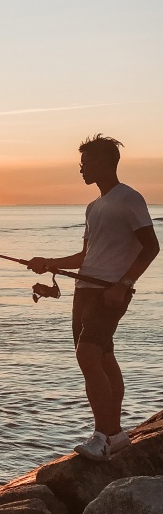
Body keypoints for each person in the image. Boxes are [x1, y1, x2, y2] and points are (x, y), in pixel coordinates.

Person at [28, 135, 159, 461]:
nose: (81, 169)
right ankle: (115, 434)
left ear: (103, 162)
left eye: (86, 163)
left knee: (87, 355)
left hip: (110, 292)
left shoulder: (129, 199)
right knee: (102, 358)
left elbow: (152, 247)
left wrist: (123, 284)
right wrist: (51, 264)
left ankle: (104, 435)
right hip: (84, 290)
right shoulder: (93, 206)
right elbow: (87, 255)